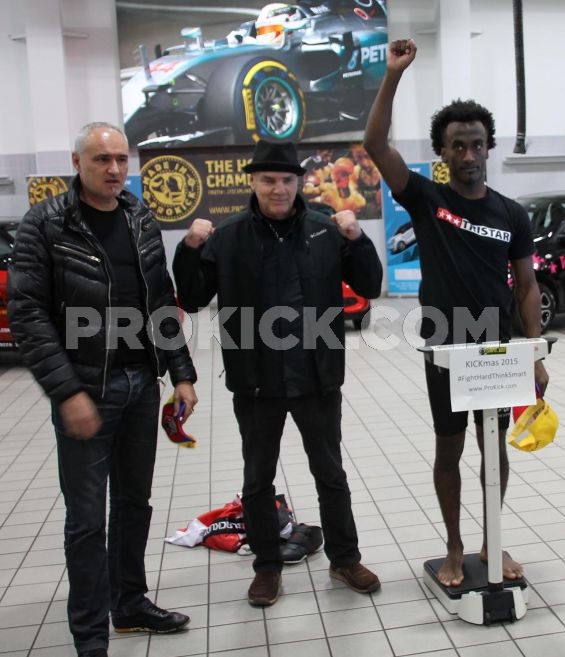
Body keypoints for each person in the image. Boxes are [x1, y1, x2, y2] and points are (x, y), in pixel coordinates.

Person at [363, 39, 549, 588]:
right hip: (448, 346)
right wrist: (394, 75)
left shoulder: (511, 213)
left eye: (475, 144)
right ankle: (453, 546)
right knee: (450, 447)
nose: (467, 154)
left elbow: (528, 285)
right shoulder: (425, 198)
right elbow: (375, 143)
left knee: (495, 446)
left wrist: (534, 351)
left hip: (499, 348)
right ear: (442, 154)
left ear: (488, 147)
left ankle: (494, 540)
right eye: (456, 147)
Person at [8, 122, 198, 657]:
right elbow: (27, 315)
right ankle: (90, 637)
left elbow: (162, 301)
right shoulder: (45, 224)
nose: (114, 169)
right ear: (77, 162)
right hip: (86, 392)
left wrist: (181, 372)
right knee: (87, 522)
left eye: (120, 159)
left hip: (142, 384)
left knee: (135, 505)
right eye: (101, 160)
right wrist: (66, 392)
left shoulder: (140, 217)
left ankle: (131, 605)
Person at [173, 139, 383, 606]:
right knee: (257, 479)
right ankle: (267, 566)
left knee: (330, 473)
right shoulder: (227, 238)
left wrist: (358, 239)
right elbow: (190, 298)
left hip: (317, 377)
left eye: (287, 179)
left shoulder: (325, 231)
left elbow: (369, 284)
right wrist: (188, 250)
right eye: (268, 179)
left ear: (299, 182)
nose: (279, 188)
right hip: (256, 380)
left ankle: (345, 559)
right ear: (253, 182)